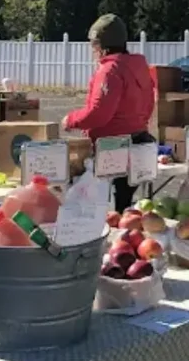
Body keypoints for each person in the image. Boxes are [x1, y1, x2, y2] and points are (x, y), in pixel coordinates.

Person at [61, 14, 156, 213]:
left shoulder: (110, 71)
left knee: (95, 205)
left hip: (113, 149)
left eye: (93, 45)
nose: (92, 50)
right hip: (141, 142)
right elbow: (149, 104)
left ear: (100, 45)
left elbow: (99, 113)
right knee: (125, 206)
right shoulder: (139, 67)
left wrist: (71, 120)